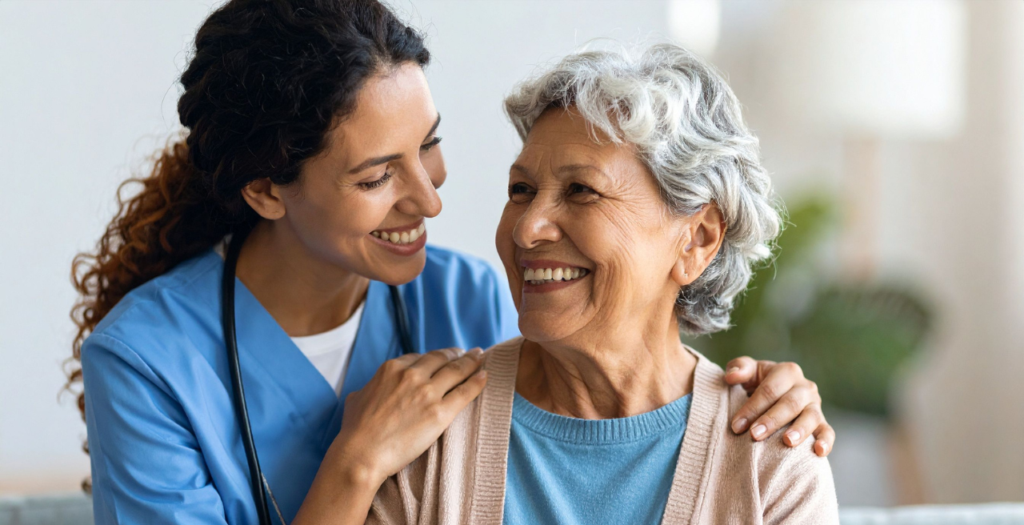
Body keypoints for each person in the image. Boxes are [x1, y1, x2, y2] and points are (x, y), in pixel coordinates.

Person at [68, 1, 834, 524]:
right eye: (375, 177)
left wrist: (764, 399)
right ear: (267, 190)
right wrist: (354, 465)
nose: (431, 203)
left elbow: (606, 372)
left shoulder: (466, 297)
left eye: (429, 147)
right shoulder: (148, 362)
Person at [366, 44, 839, 524]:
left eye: (580, 191)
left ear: (697, 238)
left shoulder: (771, 459)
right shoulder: (428, 430)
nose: (527, 228)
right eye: (521, 191)